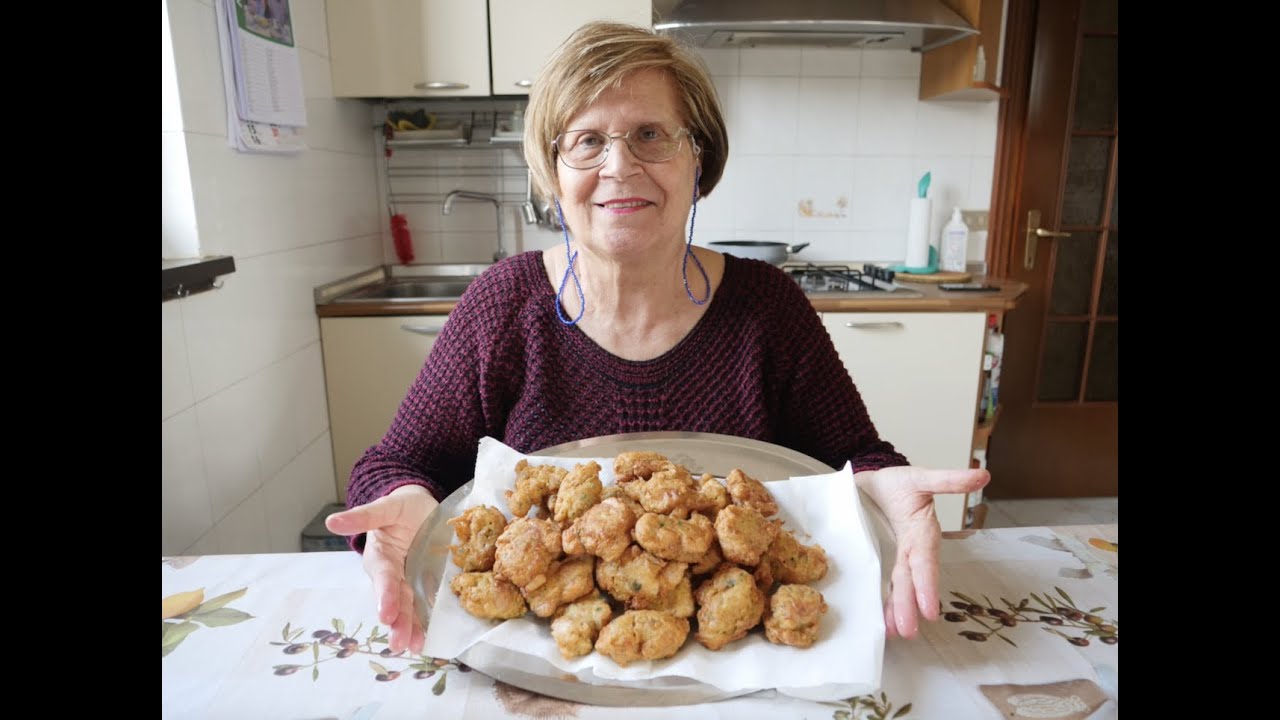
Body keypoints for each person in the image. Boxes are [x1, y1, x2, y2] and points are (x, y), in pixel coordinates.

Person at [326, 20, 989, 657]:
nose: (619, 165)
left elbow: (856, 458)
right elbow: (392, 466)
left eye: (650, 134)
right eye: (587, 140)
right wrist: (404, 507)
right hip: (535, 676)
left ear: (697, 159)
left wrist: (884, 487)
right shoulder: (502, 307)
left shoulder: (768, 308)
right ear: (553, 173)